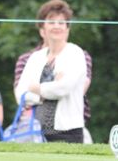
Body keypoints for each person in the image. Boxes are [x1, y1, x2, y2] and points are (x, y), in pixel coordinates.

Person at [14, 12, 93, 142]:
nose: (56, 26)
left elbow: (62, 89)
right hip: (35, 131)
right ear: (43, 29)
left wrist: (36, 88)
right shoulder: (35, 57)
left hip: (68, 132)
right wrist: (44, 93)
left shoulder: (76, 54)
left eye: (61, 23)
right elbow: (20, 94)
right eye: (51, 22)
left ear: (67, 29)